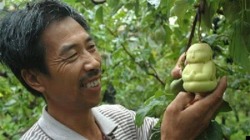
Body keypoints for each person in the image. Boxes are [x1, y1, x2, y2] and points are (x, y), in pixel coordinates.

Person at [0, 0, 227, 140]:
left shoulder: (121, 119)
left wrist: (182, 85)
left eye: (91, 47)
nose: (93, 63)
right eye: (71, 55)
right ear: (33, 78)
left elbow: (174, 126)